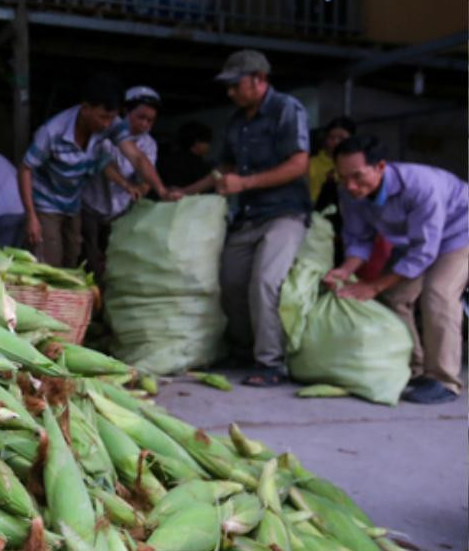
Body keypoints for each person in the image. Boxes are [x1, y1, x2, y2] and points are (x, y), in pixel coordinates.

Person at [176, 49, 311, 386]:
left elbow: (299, 163)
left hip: (285, 213)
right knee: (230, 280)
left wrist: (245, 183)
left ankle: (270, 362)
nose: (230, 92)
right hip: (249, 215)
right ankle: (243, 349)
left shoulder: (286, 110)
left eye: (235, 85)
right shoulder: (236, 121)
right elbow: (225, 168)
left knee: (264, 281)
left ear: (260, 80)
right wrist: (188, 191)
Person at [324, 135, 469, 404]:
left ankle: (444, 381)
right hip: (415, 241)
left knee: (438, 293)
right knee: (395, 298)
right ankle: (414, 369)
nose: (351, 185)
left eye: (357, 176)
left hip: (460, 233)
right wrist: (344, 270)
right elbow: (359, 238)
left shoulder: (421, 186)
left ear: (380, 166)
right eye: (343, 178)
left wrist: (374, 284)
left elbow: (424, 252)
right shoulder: (349, 190)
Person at [19, 73, 172, 268]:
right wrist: (31, 215)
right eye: (103, 117)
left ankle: (68, 298)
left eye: (112, 117)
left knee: (72, 258)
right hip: (46, 202)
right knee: (50, 261)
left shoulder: (111, 125)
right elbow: (24, 170)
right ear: (85, 108)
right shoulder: (52, 132)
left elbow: (136, 157)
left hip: (72, 203)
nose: (107, 123)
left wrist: (161, 190)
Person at [80, 85, 162, 276]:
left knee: (115, 260)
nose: (144, 125)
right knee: (90, 260)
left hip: (119, 211)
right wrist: (127, 185)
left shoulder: (149, 144)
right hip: (91, 206)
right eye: (140, 117)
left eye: (150, 120)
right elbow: (106, 165)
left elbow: (146, 174)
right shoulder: (105, 130)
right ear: (126, 111)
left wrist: (141, 189)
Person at [310, 116, 356, 207]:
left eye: (341, 138)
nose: (336, 142)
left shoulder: (357, 163)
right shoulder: (310, 163)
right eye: (331, 137)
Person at [156, 120, 213, 191]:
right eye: (207, 142)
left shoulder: (164, 160)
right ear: (197, 142)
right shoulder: (200, 165)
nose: (209, 146)